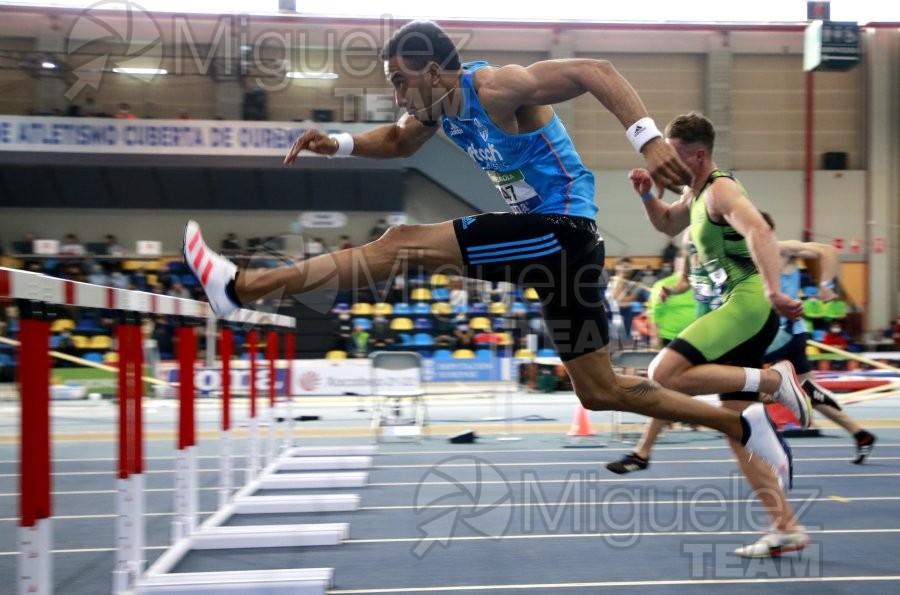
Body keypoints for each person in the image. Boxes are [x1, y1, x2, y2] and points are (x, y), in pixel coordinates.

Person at [183, 20, 803, 516]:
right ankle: (741, 422)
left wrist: (648, 139)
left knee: (400, 242)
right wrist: (337, 143)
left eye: (401, 81)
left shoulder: (495, 87)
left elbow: (595, 70)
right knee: (600, 388)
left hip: (561, 231)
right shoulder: (437, 108)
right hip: (563, 248)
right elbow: (396, 141)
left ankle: (242, 286)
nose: (398, 95)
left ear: (433, 70)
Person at [608, 111, 813, 557]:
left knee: (664, 372)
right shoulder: (693, 191)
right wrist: (647, 196)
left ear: (699, 155)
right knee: (734, 426)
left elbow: (759, 229)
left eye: (674, 156)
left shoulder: (722, 189)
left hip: (749, 304)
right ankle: (785, 526)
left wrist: (774, 289)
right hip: (734, 308)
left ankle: (776, 381)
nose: (665, 163)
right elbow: (666, 224)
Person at [757, 211, 876, 464]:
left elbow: (827, 250)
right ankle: (860, 434)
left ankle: (780, 397)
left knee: (733, 373)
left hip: (784, 333)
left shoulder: (781, 249)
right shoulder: (747, 256)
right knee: (811, 392)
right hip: (790, 335)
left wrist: (826, 285)